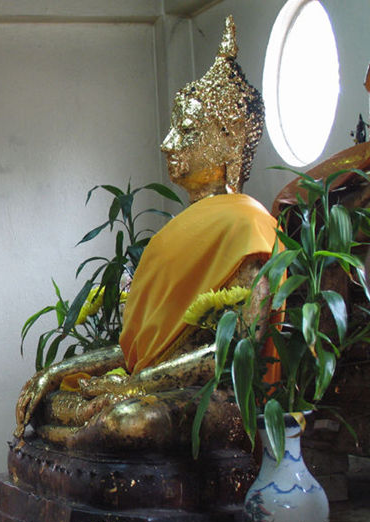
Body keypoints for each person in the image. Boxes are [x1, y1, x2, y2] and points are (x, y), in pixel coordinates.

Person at [15, 16, 277, 452]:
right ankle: (86, 430)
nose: (168, 143)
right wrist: (57, 372)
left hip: (214, 395)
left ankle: (90, 433)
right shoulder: (176, 233)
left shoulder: (248, 226)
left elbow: (236, 347)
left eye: (186, 130)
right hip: (156, 383)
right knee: (49, 399)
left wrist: (138, 385)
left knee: (129, 420)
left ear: (229, 140)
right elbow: (139, 350)